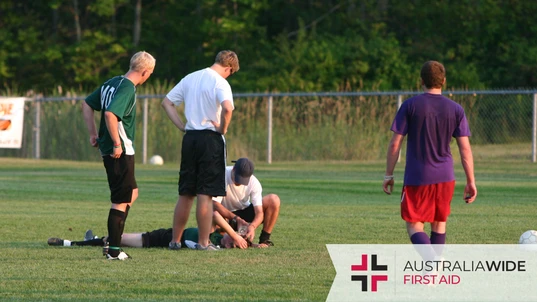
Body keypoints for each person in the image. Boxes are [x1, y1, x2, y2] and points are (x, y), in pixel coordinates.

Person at [382, 60, 477, 258]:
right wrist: (471, 181)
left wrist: (388, 175)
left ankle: (433, 261)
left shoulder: (410, 105)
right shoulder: (456, 109)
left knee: (414, 225)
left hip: (418, 177)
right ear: (443, 81)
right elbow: (465, 149)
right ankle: (434, 274)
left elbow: (394, 144)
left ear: (421, 81)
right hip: (445, 176)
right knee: (438, 222)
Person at [161, 50, 239, 251]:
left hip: (190, 139)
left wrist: (181, 126)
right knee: (205, 194)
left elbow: (167, 102)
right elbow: (228, 108)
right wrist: (223, 128)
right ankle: (203, 243)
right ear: (229, 68)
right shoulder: (220, 82)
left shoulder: (190, 78)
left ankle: (175, 240)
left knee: (186, 193)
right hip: (210, 140)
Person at [82, 51, 156, 260]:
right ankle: (113, 250)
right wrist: (116, 143)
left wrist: (93, 134)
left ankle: (115, 237)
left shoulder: (112, 82)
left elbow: (87, 104)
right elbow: (110, 114)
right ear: (144, 71)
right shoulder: (127, 88)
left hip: (113, 148)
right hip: (119, 151)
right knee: (120, 200)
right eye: (150, 73)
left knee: (131, 193)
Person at [46, 212, 265, 249]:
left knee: (117, 240)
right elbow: (216, 215)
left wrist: (241, 240)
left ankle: (73, 243)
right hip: (166, 233)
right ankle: (90, 240)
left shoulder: (213, 244)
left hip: (162, 240)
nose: (230, 238)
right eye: (231, 236)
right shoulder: (218, 232)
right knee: (115, 238)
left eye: (233, 242)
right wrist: (239, 231)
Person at [212, 158, 280, 246]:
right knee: (214, 214)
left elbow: (259, 212)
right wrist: (236, 219)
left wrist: (252, 226)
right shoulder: (221, 176)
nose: (239, 182)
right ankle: (225, 238)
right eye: (238, 178)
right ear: (233, 169)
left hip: (244, 212)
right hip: (225, 215)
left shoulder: (254, 182)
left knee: (273, 200)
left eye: (243, 180)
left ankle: (264, 240)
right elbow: (215, 204)